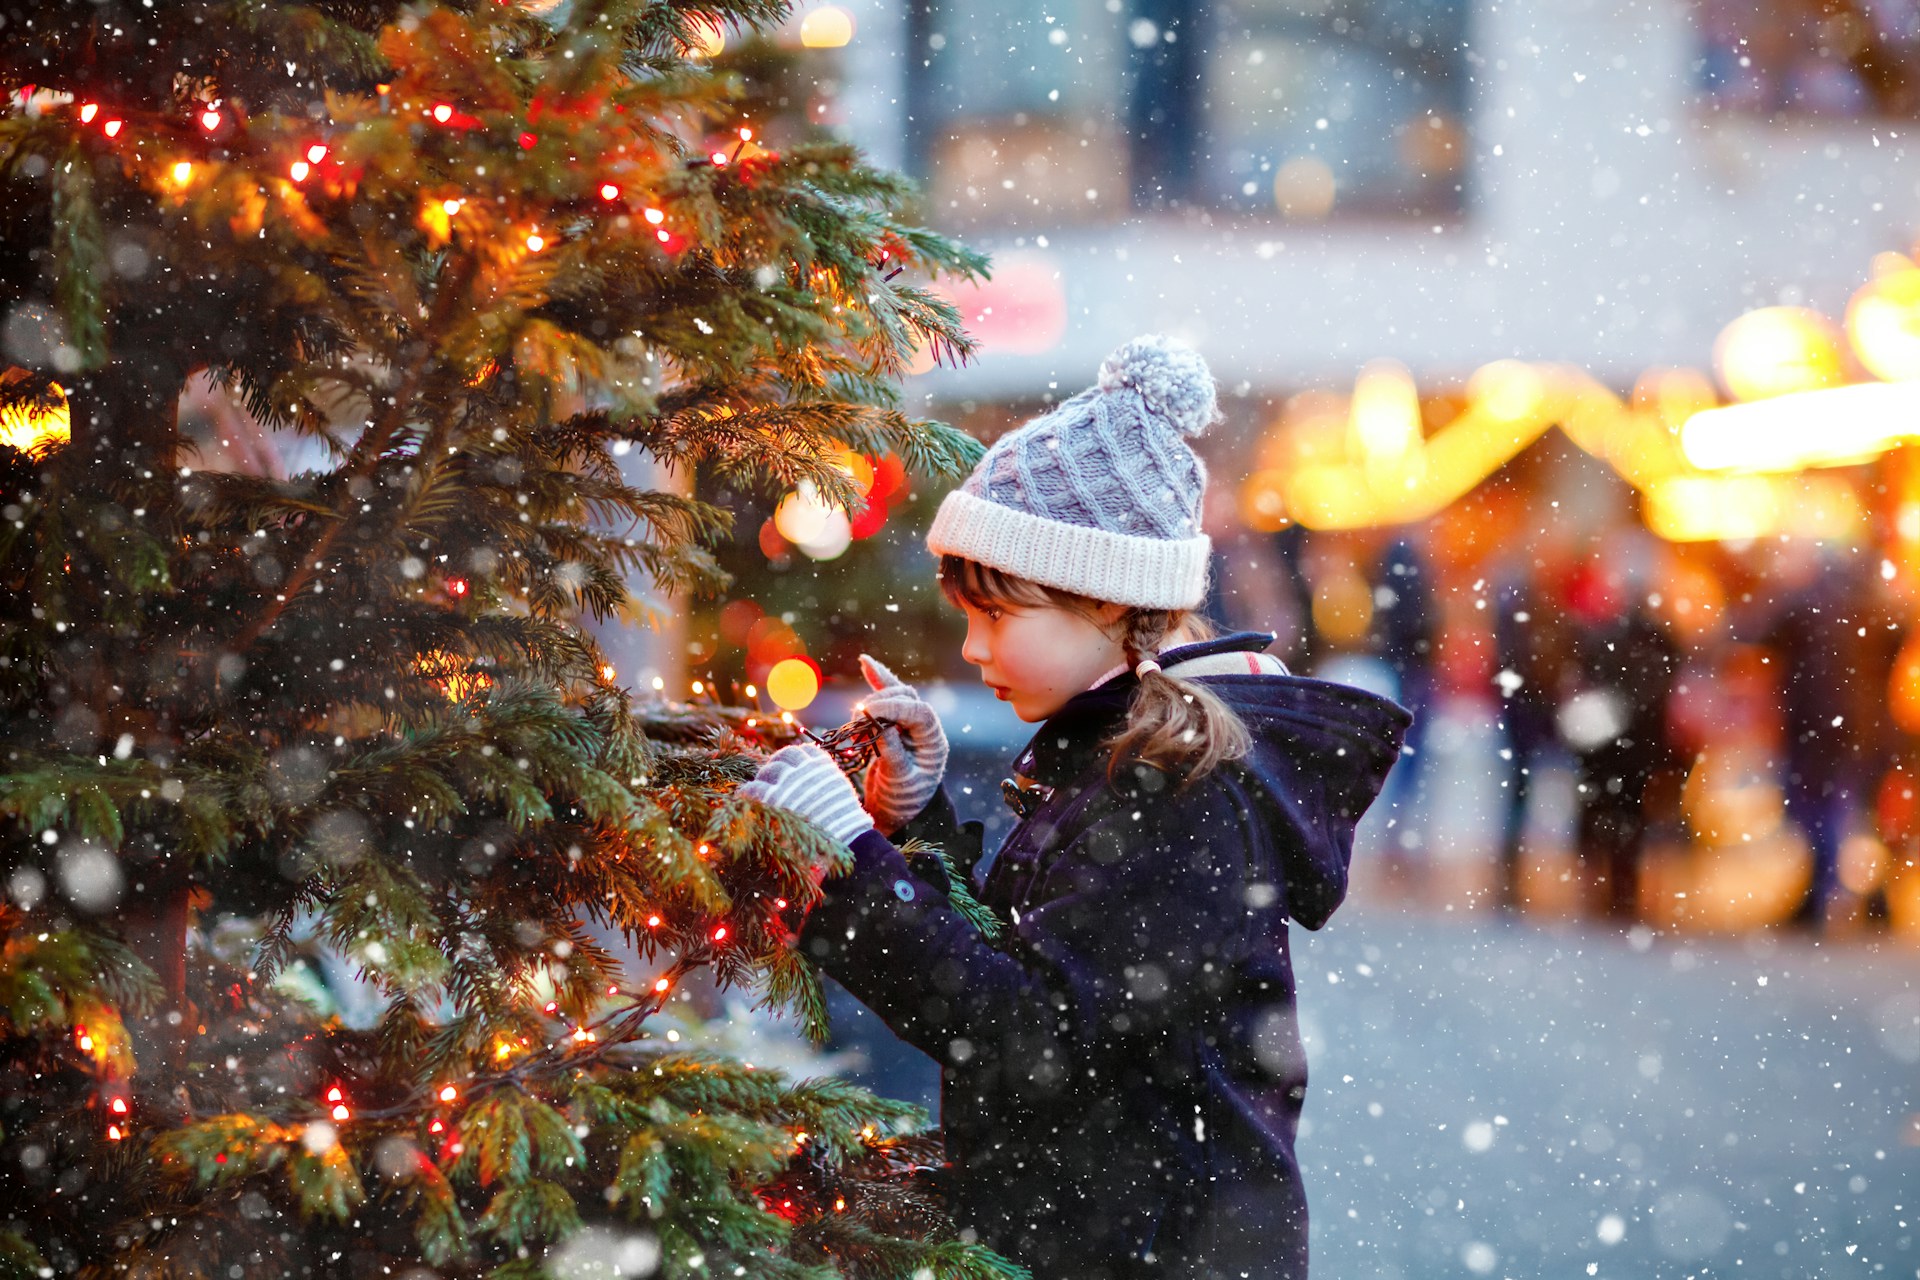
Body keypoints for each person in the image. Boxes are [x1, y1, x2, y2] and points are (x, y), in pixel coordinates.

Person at [741, 337, 1410, 1279]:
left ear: (1105, 605)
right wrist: (916, 821)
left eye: (997, 617)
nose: (972, 649)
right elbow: (1038, 959)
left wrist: (850, 857)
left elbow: (1027, 1028)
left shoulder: (1185, 795)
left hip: (1150, 1250)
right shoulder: (1120, 756)